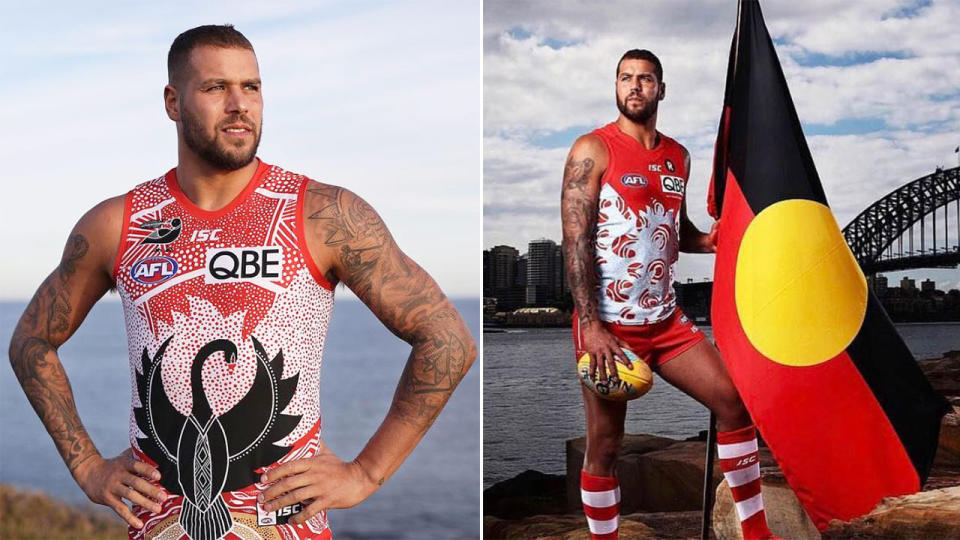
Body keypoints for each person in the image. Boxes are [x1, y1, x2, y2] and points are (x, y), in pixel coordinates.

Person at [8, 24, 476, 540]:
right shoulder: (118, 223)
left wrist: (366, 473)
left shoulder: (324, 215)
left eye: (251, 87)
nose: (239, 104)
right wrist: (89, 467)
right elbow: (31, 342)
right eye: (215, 88)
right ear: (172, 101)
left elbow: (448, 338)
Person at [560, 49, 777, 540]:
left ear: (661, 88)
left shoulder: (679, 156)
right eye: (625, 78)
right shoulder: (592, 149)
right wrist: (591, 326)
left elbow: (676, 232)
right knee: (606, 445)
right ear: (616, 87)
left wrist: (714, 240)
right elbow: (575, 241)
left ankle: (757, 533)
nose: (634, 87)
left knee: (734, 404)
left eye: (645, 79)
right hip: (609, 328)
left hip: (667, 322)